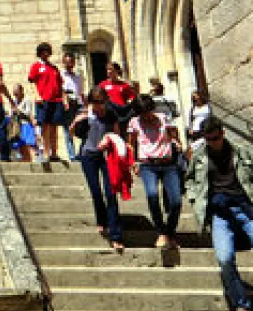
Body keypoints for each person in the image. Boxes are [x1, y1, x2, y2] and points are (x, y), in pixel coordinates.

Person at [186, 117, 253, 311]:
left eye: (215, 138)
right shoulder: (199, 157)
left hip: (245, 208)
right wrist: (194, 198)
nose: (213, 143)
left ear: (223, 133)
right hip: (220, 214)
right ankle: (241, 303)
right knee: (224, 259)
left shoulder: (242, 152)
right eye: (208, 140)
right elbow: (189, 180)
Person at [130, 95, 185, 247]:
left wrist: (176, 142)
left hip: (168, 163)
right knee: (152, 194)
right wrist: (134, 161)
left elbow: (174, 133)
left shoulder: (163, 118)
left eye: (147, 112)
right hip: (148, 165)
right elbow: (132, 143)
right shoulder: (134, 123)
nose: (145, 116)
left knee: (176, 201)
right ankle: (161, 232)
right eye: (142, 114)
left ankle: (170, 232)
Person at [74, 91, 125, 250]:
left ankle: (116, 235)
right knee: (96, 191)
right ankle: (102, 220)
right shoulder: (85, 115)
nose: (100, 106)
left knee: (110, 194)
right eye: (96, 102)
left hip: (106, 157)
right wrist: (77, 122)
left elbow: (117, 135)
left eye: (102, 102)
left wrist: (113, 143)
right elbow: (73, 133)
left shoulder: (110, 115)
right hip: (88, 157)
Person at [27, 42, 67, 162]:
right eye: (43, 51)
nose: (45, 53)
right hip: (43, 100)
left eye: (47, 51)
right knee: (45, 126)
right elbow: (32, 82)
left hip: (56, 100)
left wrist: (64, 99)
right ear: (40, 53)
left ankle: (54, 153)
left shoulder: (54, 68)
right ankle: (45, 153)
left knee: (54, 127)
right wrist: (37, 95)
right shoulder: (36, 66)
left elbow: (60, 85)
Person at [97, 62, 138, 136]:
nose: (108, 71)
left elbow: (131, 98)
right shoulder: (103, 85)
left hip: (121, 114)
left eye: (111, 69)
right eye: (107, 69)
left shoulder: (124, 85)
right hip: (108, 114)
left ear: (117, 71)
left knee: (123, 133)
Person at [60, 53, 85, 158]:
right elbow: (60, 90)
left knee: (83, 128)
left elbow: (81, 92)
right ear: (63, 63)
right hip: (67, 104)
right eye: (67, 62)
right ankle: (72, 155)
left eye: (71, 62)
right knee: (67, 129)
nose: (69, 64)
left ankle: (80, 153)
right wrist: (65, 100)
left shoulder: (78, 77)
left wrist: (85, 105)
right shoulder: (60, 75)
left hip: (78, 104)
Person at [8, 84, 37, 162]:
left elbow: (28, 113)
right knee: (22, 147)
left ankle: (34, 163)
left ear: (21, 91)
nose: (15, 95)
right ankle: (26, 162)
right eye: (14, 93)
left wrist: (18, 111)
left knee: (29, 145)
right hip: (18, 127)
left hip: (27, 125)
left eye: (16, 93)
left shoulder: (27, 100)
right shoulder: (15, 101)